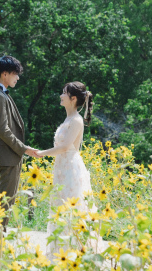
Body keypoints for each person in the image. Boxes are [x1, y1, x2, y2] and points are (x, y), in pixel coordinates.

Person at [35, 81, 95, 258]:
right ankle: (58, 254)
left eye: (64, 93)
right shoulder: (68, 119)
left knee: (71, 210)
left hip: (71, 170)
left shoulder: (76, 120)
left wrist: (41, 153)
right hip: (62, 168)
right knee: (59, 208)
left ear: (73, 98)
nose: (61, 96)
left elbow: (66, 146)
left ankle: (74, 255)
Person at [0, 55, 40, 230]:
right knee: (6, 200)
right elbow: (3, 130)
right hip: (7, 155)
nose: (18, 78)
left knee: (8, 199)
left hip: (8, 155)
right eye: (15, 74)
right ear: (5, 74)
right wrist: (24, 149)